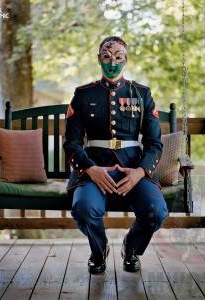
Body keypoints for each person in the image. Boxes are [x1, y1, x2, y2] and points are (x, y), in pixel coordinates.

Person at [63, 36, 168, 274]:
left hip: (132, 167)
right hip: (94, 169)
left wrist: (140, 172)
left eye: (118, 57)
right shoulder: (83, 94)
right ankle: (99, 251)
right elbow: (71, 142)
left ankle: (131, 248)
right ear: (99, 59)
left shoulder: (142, 94)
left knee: (156, 211)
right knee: (83, 208)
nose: (112, 62)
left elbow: (154, 143)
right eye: (107, 56)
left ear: (126, 60)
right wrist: (90, 169)